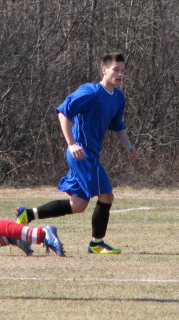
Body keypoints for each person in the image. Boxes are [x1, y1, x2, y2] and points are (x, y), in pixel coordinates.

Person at [15, 53, 138, 254]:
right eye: (116, 69)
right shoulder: (90, 91)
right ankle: (96, 244)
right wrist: (71, 144)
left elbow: (118, 126)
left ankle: (27, 214)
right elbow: (63, 112)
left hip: (90, 155)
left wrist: (128, 146)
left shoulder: (118, 97)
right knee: (106, 196)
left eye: (123, 71)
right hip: (81, 154)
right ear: (104, 70)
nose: (120, 74)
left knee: (78, 204)